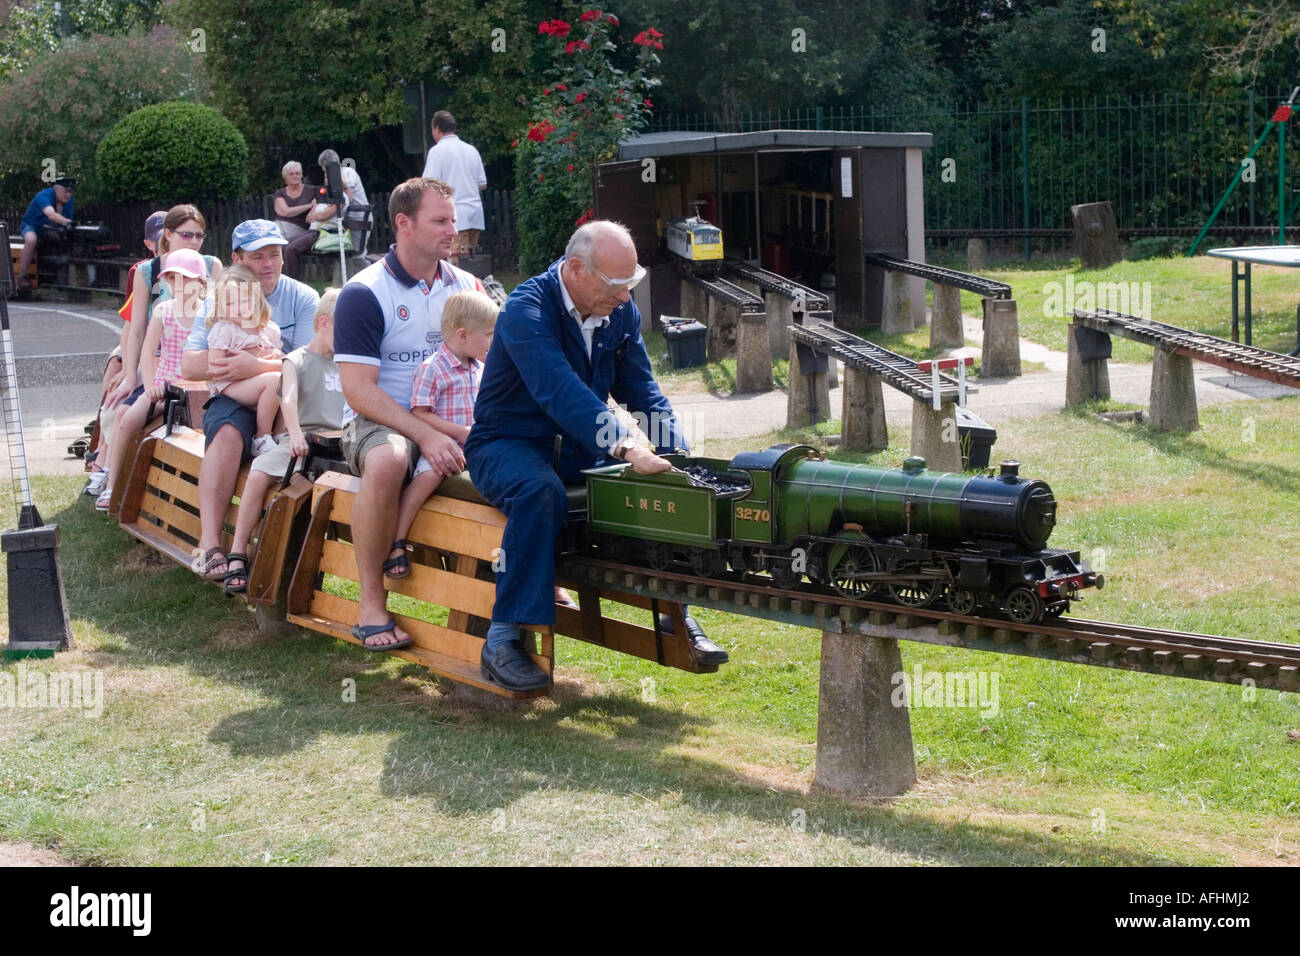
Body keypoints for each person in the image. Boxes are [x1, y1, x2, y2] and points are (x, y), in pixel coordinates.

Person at [466, 220, 728, 692]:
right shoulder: (526, 310)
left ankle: (674, 611)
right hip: (506, 445)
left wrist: (675, 451)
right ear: (576, 270)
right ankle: (503, 635)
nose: (626, 298)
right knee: (539, 491)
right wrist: (628, 445)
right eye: (616, 286)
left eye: (632, 284)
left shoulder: (619, 314)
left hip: (579, 446)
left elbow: (642, 389)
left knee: (661, 486)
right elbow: (559, 392)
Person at [333, 178, 485, 651]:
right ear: (404, 223)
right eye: (440, 221)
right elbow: (359, 392)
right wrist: (427, 434)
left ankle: (501, 609)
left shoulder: (468, 287)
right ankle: (372, 607)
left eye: (453, 221)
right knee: (389, 460)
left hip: (456, 419)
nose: (452, 232)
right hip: (378, 421)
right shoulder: (363, 292)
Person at [180, 219, 319, 580]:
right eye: (258, 257)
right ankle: (211, 542)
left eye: (275, 254)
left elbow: (307, 364)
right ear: (237, 260)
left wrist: (252, 364)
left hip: (286, 397)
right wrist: (242, 369)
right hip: (236, 395)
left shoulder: (303, 298)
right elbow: (191, 365)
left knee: (298, 442)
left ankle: (276, 557)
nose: (269, 264)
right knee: (226, 434)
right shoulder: (219, 300)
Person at [95, 205, 223, 504]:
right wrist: (142, 381)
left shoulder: (211, 310)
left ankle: (199, 491)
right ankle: (112, 482)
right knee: (128, 417)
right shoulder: (159, 302)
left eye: (198, 235)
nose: (193, 240)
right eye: (186, 234)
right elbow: (143, 343)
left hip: (197, 383)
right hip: (166, 380)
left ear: (202, 283)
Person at [223, 289, 344, 595]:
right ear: (324, 323)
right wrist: (294, 434)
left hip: (340, 444)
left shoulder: (347, 362)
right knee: (261, 470)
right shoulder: (297, 360)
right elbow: (288, 399)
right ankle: (238, 549)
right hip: (304, 438)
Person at [387, 289, 498, 578]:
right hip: (443, 445)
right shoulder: (432, 369)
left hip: (476, 446)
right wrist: (459, 432)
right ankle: (397, 541)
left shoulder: (481, 369)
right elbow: (419, 413)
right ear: (463, 335)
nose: (493, 341)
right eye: (488, 335)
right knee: (428, 477)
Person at [84, 209, 167, 497]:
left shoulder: (196, 269)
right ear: (149, 243)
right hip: (143, 339)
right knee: (115, 369)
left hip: (161, 348)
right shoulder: (142, 271)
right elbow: (132, 325)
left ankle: (103, 460)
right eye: (159, 239)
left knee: (122, 377)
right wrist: (126, 366)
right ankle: (101, 453)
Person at [204, 267, 283, 457]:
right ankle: (262, 436)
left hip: (260, 384)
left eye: (245, 301)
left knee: (288, 383)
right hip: (230, 385)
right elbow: (215, 369)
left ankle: (282, 435)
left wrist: (267, 358)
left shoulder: (269, 329)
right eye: (230, 303)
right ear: (221, 306)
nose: (238, 308)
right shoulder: (225, 329)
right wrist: (255, 365)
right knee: (274, 380)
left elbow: (282, 359)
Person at [421, 111, 486, 263]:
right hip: (475, 215)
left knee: (456, 266)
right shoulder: (471, 150)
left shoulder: (437, 151)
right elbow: (482, 184)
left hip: (455, 218)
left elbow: (427, 185)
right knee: (472, 264)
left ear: (436, 128)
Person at [16, 176, 74, 290]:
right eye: (66, 192)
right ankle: (22, 276)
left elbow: (65, 221)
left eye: (70, 192)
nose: (68, 195)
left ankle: (60, 281)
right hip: (32, 226)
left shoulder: (68, 200)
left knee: (63, 241)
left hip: (49, 228)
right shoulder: (43, 196)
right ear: (56, 189)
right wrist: (70, 223)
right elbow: (51, 215)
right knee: (31, 240)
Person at [318, 148, 369, 254]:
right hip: (345, 217)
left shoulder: (348, 172)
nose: (324, 172)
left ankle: (365, 270)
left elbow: (347, 199)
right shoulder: (332, 177)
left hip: (359, 216)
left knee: (357, 254)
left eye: (324, 168)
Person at [273, 161, 316, 242]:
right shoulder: (280, 192)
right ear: (285, 177)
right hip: (278, 225)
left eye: (298, 173)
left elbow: (315, 211)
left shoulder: (312, 191)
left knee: (276, 240)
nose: (295, 176)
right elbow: (285, 212)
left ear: (302, 175)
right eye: (291, 174)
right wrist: (308, 206)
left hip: (299, 228)